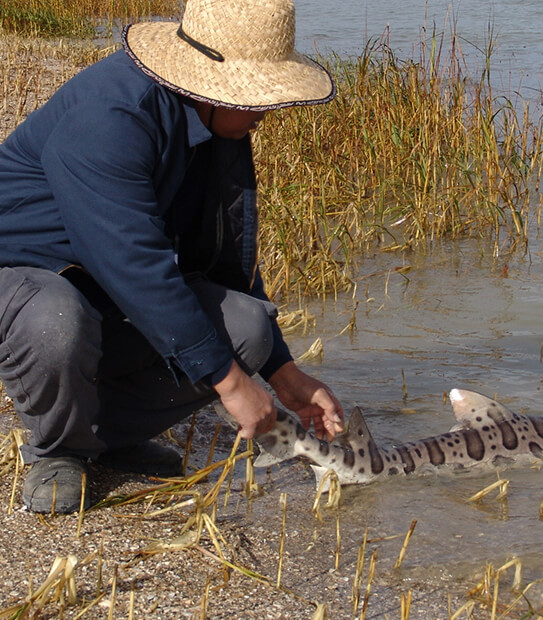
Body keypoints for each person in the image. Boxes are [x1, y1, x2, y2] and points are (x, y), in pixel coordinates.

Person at [0, 0, 345, 514]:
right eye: (257, 97)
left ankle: (106, 435)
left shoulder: (221, 123)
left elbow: (229, 261)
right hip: (28, 278)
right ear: (208, 82)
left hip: (108, 288)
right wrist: (230, 383)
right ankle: (61, 449)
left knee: (248, 326)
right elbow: (134, 264)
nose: (266, 114)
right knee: (57, 321)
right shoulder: (111, 117)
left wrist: (283, 373)